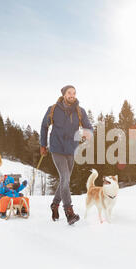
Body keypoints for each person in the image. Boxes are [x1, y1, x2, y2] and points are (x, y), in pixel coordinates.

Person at [39, 85, 93, 225]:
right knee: (65, 177)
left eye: (74, 93)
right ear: (64, 94)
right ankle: (69, 212)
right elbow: (44, 126)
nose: (72, 95)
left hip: (71, 149)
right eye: (69, 93)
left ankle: (54, 204)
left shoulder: (80, 111)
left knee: (65, 180)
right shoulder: (53, 109)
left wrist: (88, 133)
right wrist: (43, 145)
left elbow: (88, 126)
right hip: (57, 148)